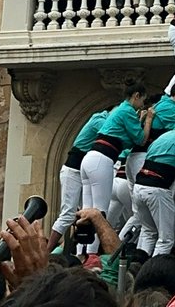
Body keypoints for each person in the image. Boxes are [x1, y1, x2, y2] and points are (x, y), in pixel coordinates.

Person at [80, 81, 152, 238]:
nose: (142, 105)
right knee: (99, 213)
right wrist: (148, 120)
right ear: (136, 96)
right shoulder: (127, 111)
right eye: (142, 100)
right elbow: (141, 139)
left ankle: (82, 249)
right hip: (102, 160)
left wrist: (138, 121)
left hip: (89, 159)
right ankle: (93, 250)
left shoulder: (120, 110)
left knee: (86, 212)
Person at [132, 115, 175, 256]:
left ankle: (138, 265)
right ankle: (157, 268)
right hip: (157, 190)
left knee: (148, 232)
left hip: (138, 187)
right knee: (166, 239)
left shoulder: (162, 137)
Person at [47, 107, 109, 250]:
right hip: (73, 172)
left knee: (85, 213)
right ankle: (47, 251)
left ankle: (76, 248)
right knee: (67, 214)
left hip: (81, 173)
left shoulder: (100, 119)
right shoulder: (99, 120)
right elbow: (111, 132)